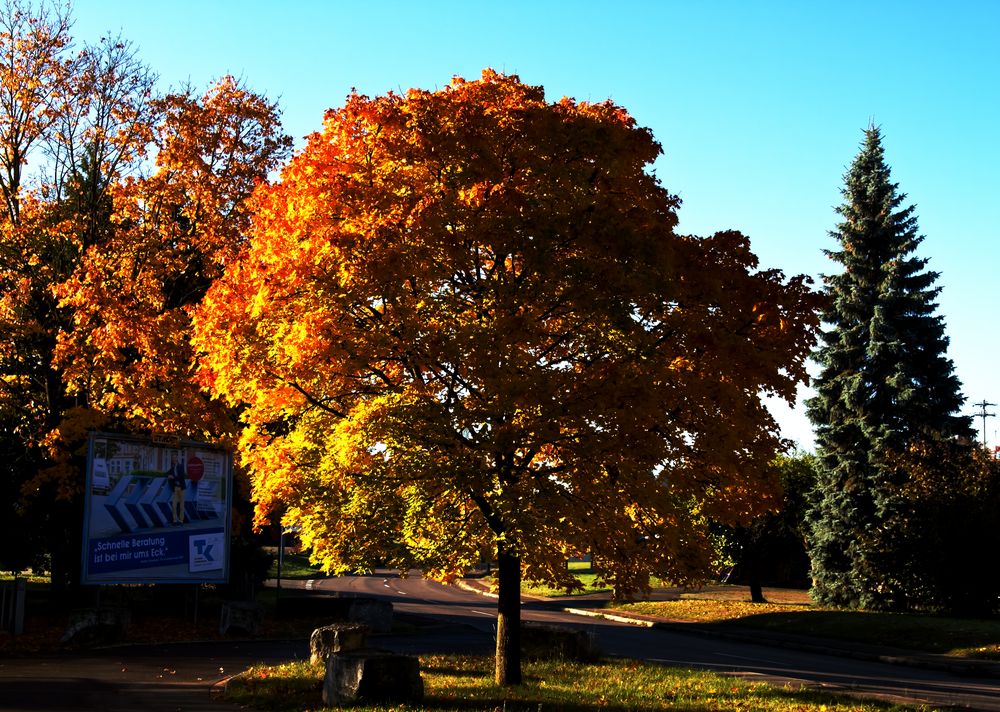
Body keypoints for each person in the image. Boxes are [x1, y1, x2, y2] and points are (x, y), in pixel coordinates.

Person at [167, 454, 186, 526]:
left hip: (181, 488)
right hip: (175, 488)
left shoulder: (181, 466)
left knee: (181, 506)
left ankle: (181, 521)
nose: (173, 459)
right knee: (174, 505)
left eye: (174, 458)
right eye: (172, 458)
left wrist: (173, 477)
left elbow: (181, 476)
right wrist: (168, 476)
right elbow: (167, 474)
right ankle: (174, 520)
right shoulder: (172, 468)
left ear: (177, 459)